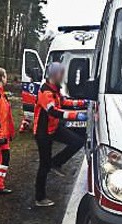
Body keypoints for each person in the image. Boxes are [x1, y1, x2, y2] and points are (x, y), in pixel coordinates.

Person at [33, 62, 88, 207]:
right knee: (44, 165)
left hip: (54, 128)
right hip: (43, 133)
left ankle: (56, 162)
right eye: (61, 73)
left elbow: (65, 102)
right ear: (55, 75)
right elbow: (53, 111)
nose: (63, 76)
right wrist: (77, 116)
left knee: (78, 141)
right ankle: (40, 197)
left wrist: (83, 103)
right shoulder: (45, 92)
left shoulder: (56, 89)